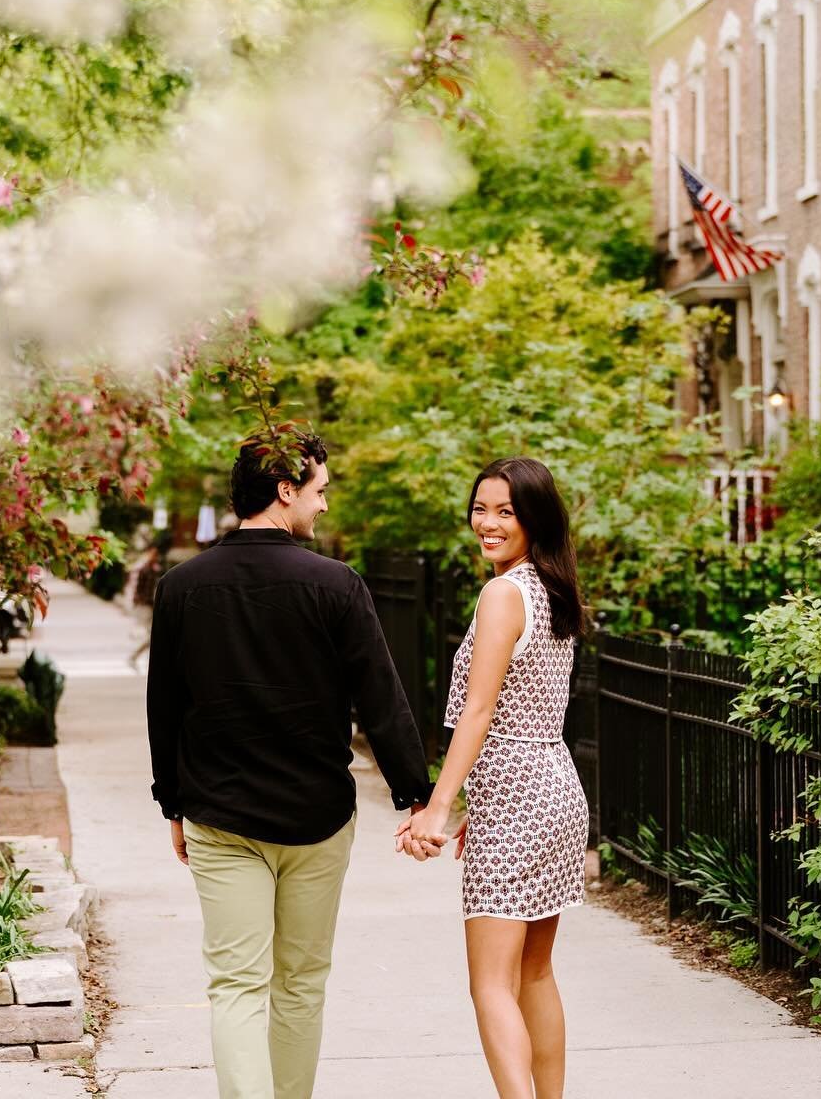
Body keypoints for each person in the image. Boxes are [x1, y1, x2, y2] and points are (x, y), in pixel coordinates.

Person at [146, 431, 431, 1099]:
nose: (324, 506)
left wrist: (172, 803)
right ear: (285, 490)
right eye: (320, 491)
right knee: (300, 986)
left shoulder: (182, 587)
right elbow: (380, 698)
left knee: (236, 985)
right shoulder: (336, 585)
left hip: (220, 814)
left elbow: (165, 705)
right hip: (317, 817)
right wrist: (416, 792)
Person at [397, 456, 589, 1099]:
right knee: (534, 974)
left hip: (517, 794)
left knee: (491, 982)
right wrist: (476, 804)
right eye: (481, 508)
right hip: (554, 790)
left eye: (505, 511)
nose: (487, 522)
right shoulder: (552, 589)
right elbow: (524, 707)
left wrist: (438, 807)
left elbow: (480, 712)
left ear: (534, 517)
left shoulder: (504, 594)